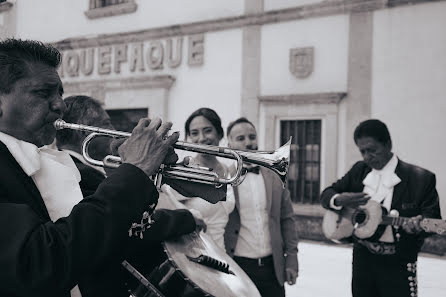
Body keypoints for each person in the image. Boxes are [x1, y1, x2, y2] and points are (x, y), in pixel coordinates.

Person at [0, 38, 201, 297]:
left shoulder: (44, 162)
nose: (60, 105)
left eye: (59, 92)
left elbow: (107, 237)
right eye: (43, 92)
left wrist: (155, 177)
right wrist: (134, 172)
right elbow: (38, 263)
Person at [320, 119, 441, 297]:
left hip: (398, 262)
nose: (367, 157)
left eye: (372, 150)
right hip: (363, 260)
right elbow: (326, 194)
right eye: (363, 151)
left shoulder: (420, 178)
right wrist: (339, 200)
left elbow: (433, 219)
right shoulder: (360, 170)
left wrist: (418, 226)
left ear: (388, 144)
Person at [224, 117, 299, 297]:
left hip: (272, 266)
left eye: (252, 137)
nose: (248, 142)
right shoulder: (225, 177)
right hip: (238, 265)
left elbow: (287, 219)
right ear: (230, 144)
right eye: (240, 138)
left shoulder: (275, 175)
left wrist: (292, 259)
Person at [164, 107, 235, 249]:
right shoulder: (184, 172)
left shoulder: (228, 171)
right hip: (195, 254)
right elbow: (168, 210)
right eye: (194, 133)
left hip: (222, 254)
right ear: (189, 139)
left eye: (208, 130)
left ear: (220, 134)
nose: (202, 138)